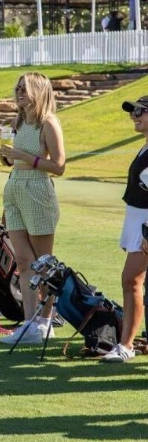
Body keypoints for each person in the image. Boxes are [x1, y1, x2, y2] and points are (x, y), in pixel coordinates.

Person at [0, 73, 65, 345]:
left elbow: (59, 166)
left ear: (38, 90)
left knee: (42, 263)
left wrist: (25, 157)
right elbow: (14, 161)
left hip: (37, 190)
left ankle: (46, 322)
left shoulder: (49, 122)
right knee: (23, 262)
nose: (19, 92)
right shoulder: (19, 120)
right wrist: (6, 156)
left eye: (24, 88)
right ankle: (28, 323)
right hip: (14, 187)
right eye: (17, 88)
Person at [101, 96, 148, 362]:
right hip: (138, 223)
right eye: (133, 111)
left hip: (145, 226)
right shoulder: (144, 147)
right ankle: (129, 343)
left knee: (131, 281)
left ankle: (127, 345)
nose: (134, 115)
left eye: (141, 111)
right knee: (134, 282)